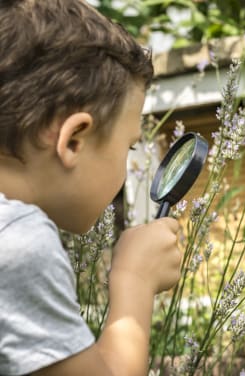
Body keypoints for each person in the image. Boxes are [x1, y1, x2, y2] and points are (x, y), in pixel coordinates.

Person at [0, 0, 182, 375]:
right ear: (73, 141)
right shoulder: (17, 244)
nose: (127, 166)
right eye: (128, 147)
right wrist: (136, 280)